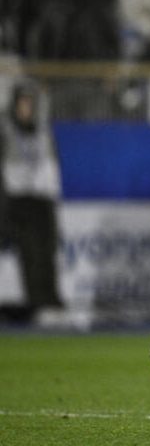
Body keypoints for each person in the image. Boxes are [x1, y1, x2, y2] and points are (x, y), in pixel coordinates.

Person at [0, 81, 63, 324]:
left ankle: (52, 302)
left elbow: (52, 164)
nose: (26, 108)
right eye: (22, 102)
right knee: (31, 254)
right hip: (19, 200)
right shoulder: (6, 131)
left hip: (43, 199)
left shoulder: (43, 131)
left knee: (48, 252)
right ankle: (37, 304)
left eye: (29, 102)